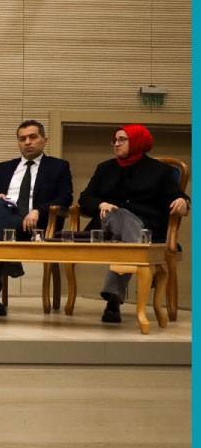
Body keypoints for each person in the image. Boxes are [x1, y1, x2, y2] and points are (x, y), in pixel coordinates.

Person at [79, 123, 189, 324]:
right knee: (118, 214)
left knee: (125, 233)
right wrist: (101, 204)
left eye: (122, 139)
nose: (116, 144)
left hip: (142, 227)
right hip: (106, 225)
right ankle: (143, 260)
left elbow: (176, 195)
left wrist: (183, 200)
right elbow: (85, 198)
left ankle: (113, 301)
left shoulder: (160, 171)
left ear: (138, 142)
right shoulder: (105, 168)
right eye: (114, 140)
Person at [0, 120, 74, 317]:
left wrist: (38, 210)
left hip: (33, 226)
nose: (27, 142)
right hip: (2, 216)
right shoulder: (4, 167)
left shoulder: (58, 167)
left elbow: (65, 198)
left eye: (33, 137)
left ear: (44, 140)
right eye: (22, 139)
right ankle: (10, 257)